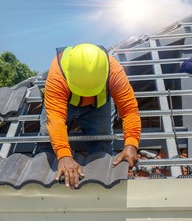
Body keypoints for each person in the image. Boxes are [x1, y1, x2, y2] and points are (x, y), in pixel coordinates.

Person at [40, 43, 141, 189]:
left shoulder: (114, 71)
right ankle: (45, 181)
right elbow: (55, 117)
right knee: (46, 140)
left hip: (98, 105)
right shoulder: (58, 72)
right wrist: (63, 155)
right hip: (65, 101)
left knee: (101, 144)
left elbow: (129, 110)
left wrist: (131, 143)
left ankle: (101, 185)